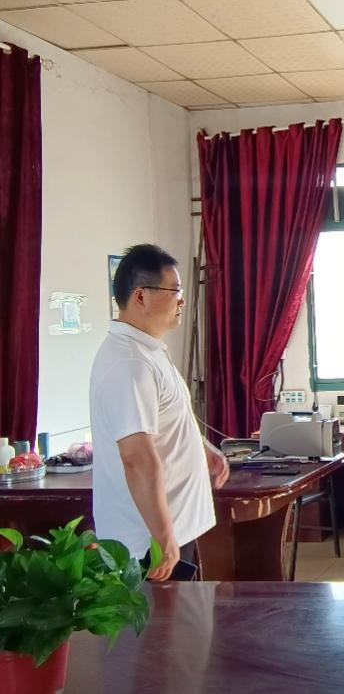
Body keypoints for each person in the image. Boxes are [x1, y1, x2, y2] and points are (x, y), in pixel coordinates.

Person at [90, 244, 230, 582]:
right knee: (163, 618)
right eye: (175, 291)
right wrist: (163, 539)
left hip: (172, 528)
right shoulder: (130, 364)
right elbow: (137, 457)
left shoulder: (148, 351)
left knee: (185, 615)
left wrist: (204, 450)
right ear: (141, 296)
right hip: (147, 543)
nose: (182, 301)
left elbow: (167, 420)